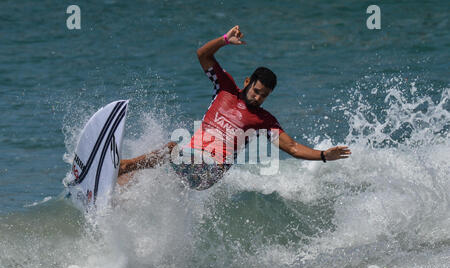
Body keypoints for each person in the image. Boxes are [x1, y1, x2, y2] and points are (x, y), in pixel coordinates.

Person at [117, 26, 351, 189]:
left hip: (211, 171)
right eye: (257, 91)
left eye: (264, 96)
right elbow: (203, 55)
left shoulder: (264, 121)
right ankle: (114, 195)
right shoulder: (225, 88)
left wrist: (322, 155)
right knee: (142, 181)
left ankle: (123, 165)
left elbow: (292, 147)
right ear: (247, 82)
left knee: (169, 149)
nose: (259, 98)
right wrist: (225, 40)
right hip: (191, 160)